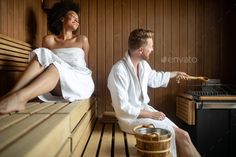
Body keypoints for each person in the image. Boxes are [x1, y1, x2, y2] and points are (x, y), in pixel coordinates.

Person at [107, 29, 200, 157]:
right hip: (130, 120)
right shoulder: (118, 71)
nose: (152, 49)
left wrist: (175, 73)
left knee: (184, 135)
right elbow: (122, 108)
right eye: (150, 47)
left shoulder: (143, 65)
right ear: (141, 50)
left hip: (146, 114)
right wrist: (151, 114)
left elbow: (154, 77)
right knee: (181, 136)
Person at [0, 1, 94, 114]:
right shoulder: (49, 40)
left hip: (79, 81)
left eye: (77, 19)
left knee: (55, 66)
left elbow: (85, 67)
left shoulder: (82, 40)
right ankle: (12, 94)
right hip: (56, 82)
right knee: (43, 53)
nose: (76, 20)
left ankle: (19, 98)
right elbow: (43, 62)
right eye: (73, 16)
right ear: (62, 18)